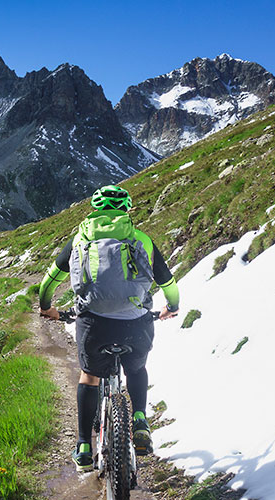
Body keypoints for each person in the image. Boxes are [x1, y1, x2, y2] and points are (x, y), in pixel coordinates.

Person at [38, 184, 180, 473]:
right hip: (135, 324)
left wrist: (46, 308)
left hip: (94, 325)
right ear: (126, 209)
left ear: (95, 209)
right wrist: (172, 307)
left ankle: (83, 447)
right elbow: (168, 283)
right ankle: (140, 418)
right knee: (136, 369)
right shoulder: (141, 239)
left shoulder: (79, 240)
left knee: (89, 375)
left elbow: (48, 283)